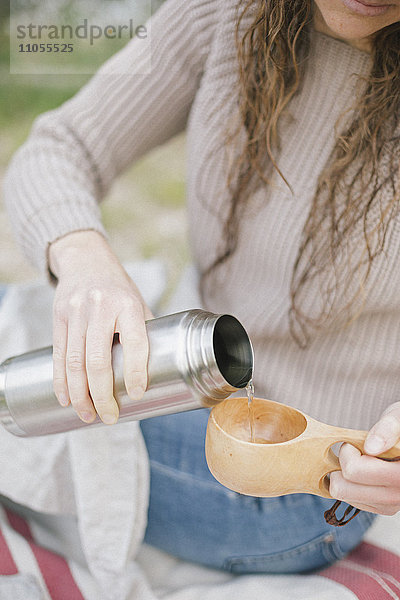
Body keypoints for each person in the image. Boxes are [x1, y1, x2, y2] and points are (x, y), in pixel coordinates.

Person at [3, 0, 400, 574]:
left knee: (23, 408)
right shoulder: (221, 14)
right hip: (196, 374)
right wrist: (85, 259)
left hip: (306, 491)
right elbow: (58, 148)